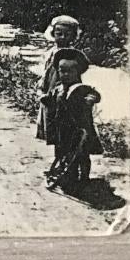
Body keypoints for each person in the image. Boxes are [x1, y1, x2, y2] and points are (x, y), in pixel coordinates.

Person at [44, 52, 103, 191]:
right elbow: (52, 100)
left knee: (82, 154)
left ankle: (84, 178)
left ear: (78, 72)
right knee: (63, 152)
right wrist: (46, 99)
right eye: (62, 71)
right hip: (63, 129)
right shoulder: (58, 89)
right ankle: (69, 177)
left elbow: (95, 94)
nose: (65, 75)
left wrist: (91, 99)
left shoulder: (82, 88)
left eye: (70, 71)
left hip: (80, 129)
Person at [35, 15, 89, 161]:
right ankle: (58, 158)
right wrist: (42, 88)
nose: (63, 37)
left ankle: (69, 157)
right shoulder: (51, 52)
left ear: (74, 36)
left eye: (67, 34)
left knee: (66, 125)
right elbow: (47, 72)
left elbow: (79, 72)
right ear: (53, 34)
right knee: (54, 126)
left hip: (65, 92)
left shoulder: (72, 54)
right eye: (59, 33)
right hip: (51, 92)